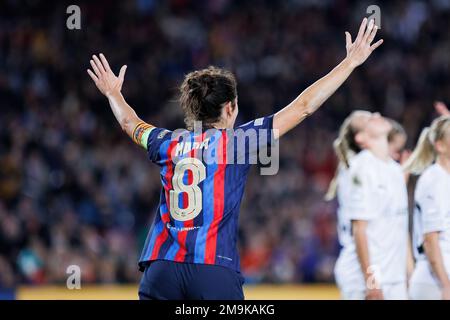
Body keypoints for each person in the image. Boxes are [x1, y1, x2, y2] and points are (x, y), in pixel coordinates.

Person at [86, 18, 382, 300]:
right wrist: (350, 62)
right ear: (230, 108)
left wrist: (114, 93)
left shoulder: (166, 143)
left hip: (162, 268)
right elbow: (304, 106)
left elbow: (129, 123)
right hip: (213, 270)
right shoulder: (239, 142)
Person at [329, 111, 409, 299]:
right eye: (369, 119)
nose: (377, 114)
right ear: (361, 138)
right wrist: (371, 281)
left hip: (393, 277)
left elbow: (398, 226)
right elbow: (360, 231)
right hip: (365, 278)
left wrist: (409, 272)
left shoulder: (395, 170)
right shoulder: (361, 169)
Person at [405, 116, 450, 300]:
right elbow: (430, 239)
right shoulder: (433, 180)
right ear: (440, 146)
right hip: (434, 282)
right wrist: (445, 285)